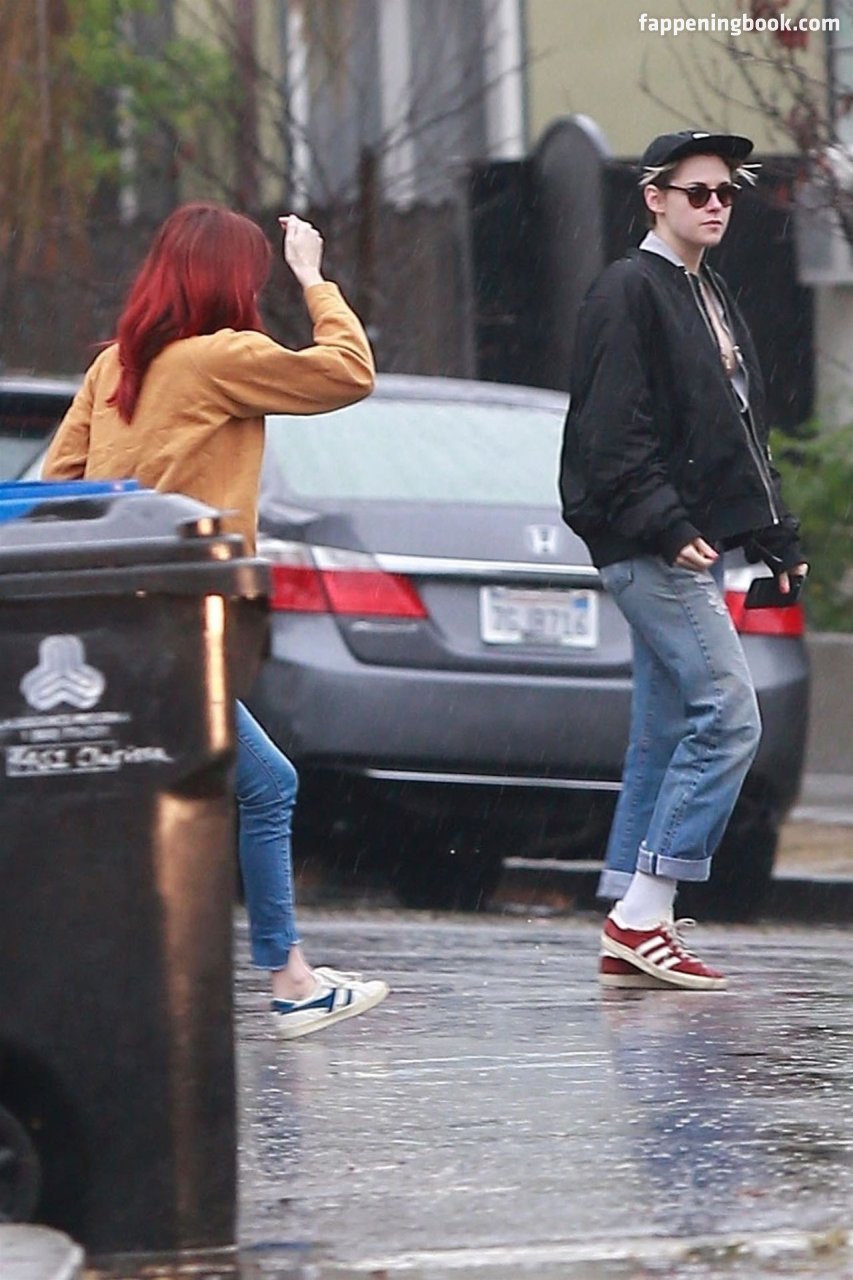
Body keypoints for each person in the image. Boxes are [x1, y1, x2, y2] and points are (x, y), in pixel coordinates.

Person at [42, 202, 390, 1036]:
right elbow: (349, 372)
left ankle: (154, 980)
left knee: (149, 794)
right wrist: (313, 279)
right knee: (262, 786)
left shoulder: (115, 367)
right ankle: (286, 982)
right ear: (230, 282)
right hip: (176, 624)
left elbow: (58, 486)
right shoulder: (222, 356)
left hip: (110, 620)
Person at [559, 130, 808, 991]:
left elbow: (734, 433)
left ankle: (634, 914)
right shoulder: (626, 291)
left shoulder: (706, 291)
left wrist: (772, 533)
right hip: (650, 545)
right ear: (653, 197)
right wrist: (662, 523)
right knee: (730, 718)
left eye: (725, 193)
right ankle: (640, 915)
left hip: (687, 543)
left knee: (666, 733)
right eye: (695, 191)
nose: (713, 205)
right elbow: (610, 433)